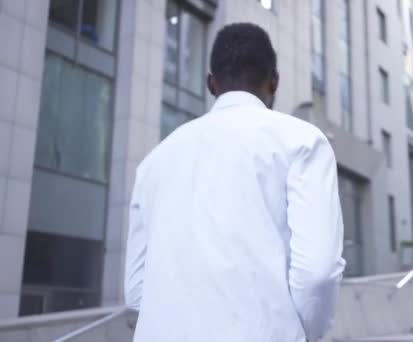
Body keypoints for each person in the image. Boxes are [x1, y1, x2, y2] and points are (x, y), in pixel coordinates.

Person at [124, 23, 345, 342]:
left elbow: (135, 293)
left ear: (211, 84)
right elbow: (318, 273)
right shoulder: (302, 142)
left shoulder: (153, 162)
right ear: (275, 81)